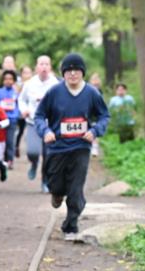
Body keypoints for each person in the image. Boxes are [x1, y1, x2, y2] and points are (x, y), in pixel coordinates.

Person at [35, 53, 110, 241]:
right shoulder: (54, 92)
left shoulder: (92, 93)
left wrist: (95, 130)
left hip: (81, 147)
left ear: (82, 72)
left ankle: (71, 224)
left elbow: (104, 116)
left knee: (76, 188)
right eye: (68, 70)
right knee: (56, 184)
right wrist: (45, 131)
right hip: (57, 147)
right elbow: (39, 115)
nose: (73, 74)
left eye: (77, 70)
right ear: (63, 73)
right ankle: (57, 193)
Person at [17, 55, 59, 184]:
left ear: (50, 67)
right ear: (36, 67)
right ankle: (34, 164)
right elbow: (21, 99)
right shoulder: (29, 84)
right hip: (32, 122)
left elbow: (60, 102)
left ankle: (45, 181)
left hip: (49, 125)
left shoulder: (55, 84)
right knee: (32, 152)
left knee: (48, 155)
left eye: (47, 64)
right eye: (41, 64)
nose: (44, 67)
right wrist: (24, 110)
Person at [0, 69, 20, 166]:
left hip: (12, 120)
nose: (8, 81)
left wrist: (18, 114)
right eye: (6, 79)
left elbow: (20, 104)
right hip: (1, 121)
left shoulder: (16, 92)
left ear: (14, 80)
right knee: (1, 140)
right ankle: (1, 159)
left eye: (10, 79)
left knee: (10, 141)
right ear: (3, 80)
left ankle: (10, 160)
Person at [87, 72, 103, 157]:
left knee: (95, 131)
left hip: (96, 115)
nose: (95, 83)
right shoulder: (87, 91)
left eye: (97, 82)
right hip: (88, 114)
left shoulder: (100, 92)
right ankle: (89, 146)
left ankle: (95, 148)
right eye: (94, 81)